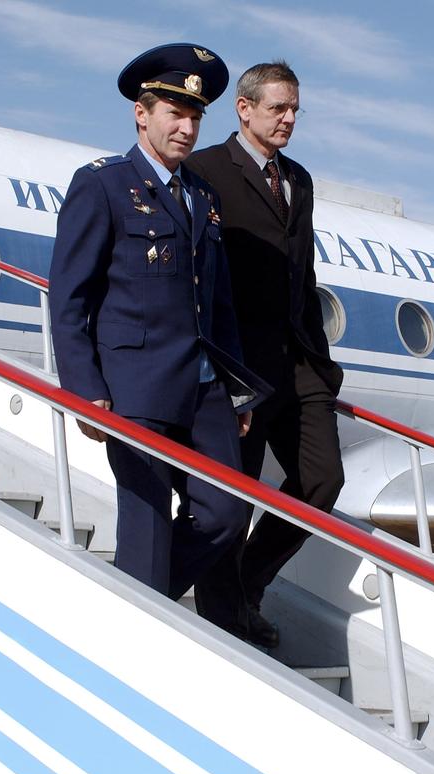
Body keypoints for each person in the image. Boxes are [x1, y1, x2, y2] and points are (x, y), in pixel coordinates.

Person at [48, 43, 269, 634]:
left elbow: (215, 303)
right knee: (145, 520)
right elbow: (69, 296)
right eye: (174, 111)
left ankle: (120, 610)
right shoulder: (103, 186)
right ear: (140, 114)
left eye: (195, 115)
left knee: (226, 513)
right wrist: (83, 390)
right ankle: (135, 639)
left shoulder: (203, 196)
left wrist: (237, 389)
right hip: (134, 385)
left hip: (204, 387)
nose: (187, 126)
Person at [185, 62, 344, 648]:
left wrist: (321, 364)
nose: (290, 119)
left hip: (298, 362)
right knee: (233, 491)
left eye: (295, 109)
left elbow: (302, 275)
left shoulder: (298, 180)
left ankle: (249, 584)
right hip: (237, 365)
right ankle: (224, 620)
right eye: (279, 108)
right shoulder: (203, 172)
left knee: (322, 480)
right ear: (244, 109)